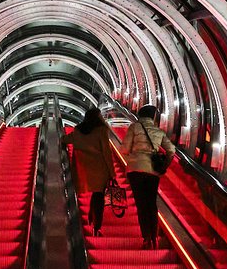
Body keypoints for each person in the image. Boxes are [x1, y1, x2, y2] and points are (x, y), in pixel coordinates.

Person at [123, 104, 176, 249]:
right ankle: (154, 237)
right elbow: (172, 150)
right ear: (153, 116)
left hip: (136, 169)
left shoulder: (134, 128)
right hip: (153, 172)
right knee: (151, 204)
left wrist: (133, 153)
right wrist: (164, 165)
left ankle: (146, 237)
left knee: (141, 205)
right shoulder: (158, 131)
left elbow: (124, 149)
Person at [61, 106, 115, 236]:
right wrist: (112, 173)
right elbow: (107, 153)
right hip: (100, 169)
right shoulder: (101, 131)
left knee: (94, 194)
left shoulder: (78, 130)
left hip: (83, 169)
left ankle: (90, 218)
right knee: (99, 197)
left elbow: (65, 140)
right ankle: (97, 227)